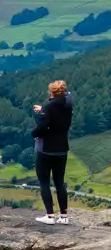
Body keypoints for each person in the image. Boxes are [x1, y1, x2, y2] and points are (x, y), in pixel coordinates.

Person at [33, 79, 73, 225]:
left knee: (44, 181)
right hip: (62, 148)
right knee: (59, 182)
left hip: (46, 148)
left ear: (51, 91)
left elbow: (43, 127)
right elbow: (56, 119)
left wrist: (34, 131)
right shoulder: (68, 104)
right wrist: (43, 110)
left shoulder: (49, 106)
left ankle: (49, 215)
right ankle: (64, 216)